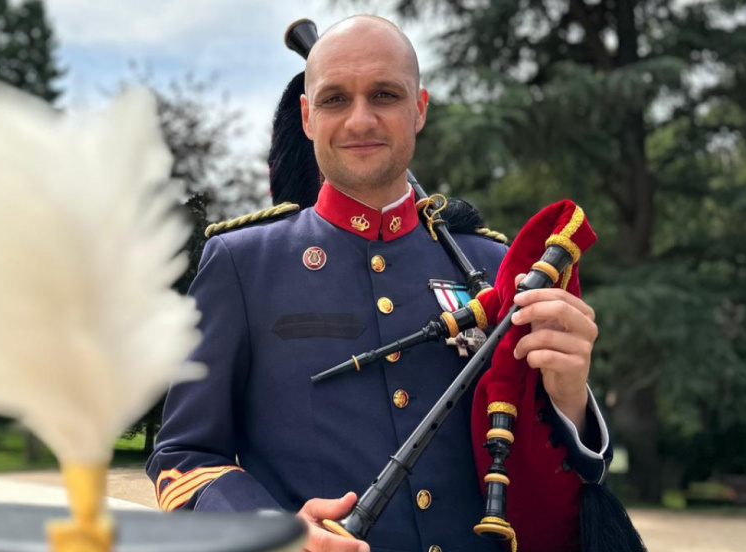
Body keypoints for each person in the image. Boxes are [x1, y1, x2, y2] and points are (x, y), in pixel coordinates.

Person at [147, 15, 609, 552]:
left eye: (385, 95)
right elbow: (183, 459)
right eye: (335, 99)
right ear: (306, 116)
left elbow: (550, 474)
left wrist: (571, 396)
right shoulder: (242, 263)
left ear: (419, 109)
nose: (360, 120)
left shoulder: (493, 264)